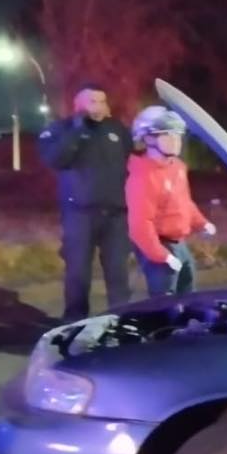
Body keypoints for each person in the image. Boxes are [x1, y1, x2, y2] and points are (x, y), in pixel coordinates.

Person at [37, 83, 134, 321]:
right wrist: (78, 129)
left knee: (118, 273)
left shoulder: (117, 129)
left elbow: (133, 160)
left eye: (102, 101)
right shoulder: (61, 129)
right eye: (92, 101)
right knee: (78, 273)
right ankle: (75, 320)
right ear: (77, 104)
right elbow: (56, 160)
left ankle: (120, 319)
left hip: (116, 215)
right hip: (79, 214)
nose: (98, 106)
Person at [125, 106, 215, 298]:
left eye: (178, 135)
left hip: (179, 243)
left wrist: (201, 223)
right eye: (167, 135)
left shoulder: (177, 167)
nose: (176, 141)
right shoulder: (143, 177)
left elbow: (184, 202)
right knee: (164, 301)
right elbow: (140, 225)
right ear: (148, 139)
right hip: (158, 244)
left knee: (188, 291)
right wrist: (161, 255)